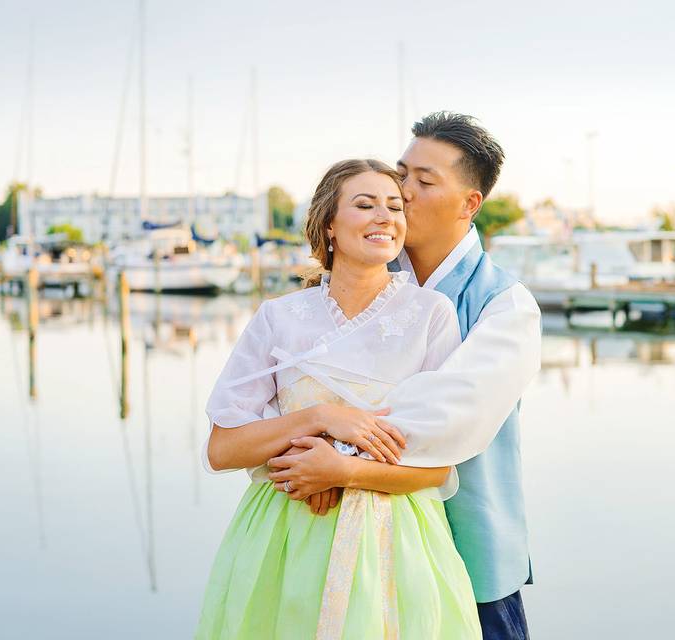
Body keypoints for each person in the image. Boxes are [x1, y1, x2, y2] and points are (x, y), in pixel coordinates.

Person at [268, 112, 542, 640]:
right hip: (348, 549)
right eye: (402, 173)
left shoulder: (504, 304)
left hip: (466, 558)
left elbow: (447, 413)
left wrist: (332, 458)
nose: (402, 191)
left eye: (424, 181)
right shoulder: (361, 280)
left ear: (470, 204)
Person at [195, 159, 482, 639]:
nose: (384, 217)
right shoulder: (278, 318)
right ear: (328, 224)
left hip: (394, 538)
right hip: (286, 532)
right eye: (364, 205)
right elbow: (222, 450)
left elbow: (439, 466)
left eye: (395, 206)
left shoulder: (431, 314)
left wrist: (338, 467)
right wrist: (319, 419)